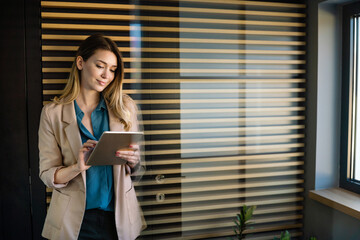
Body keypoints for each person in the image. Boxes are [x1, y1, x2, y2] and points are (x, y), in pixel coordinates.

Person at [38, 33, 146, 240]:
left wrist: (134, 161)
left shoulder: (126, 107)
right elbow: (47, 174)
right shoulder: (52, 113)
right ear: (80, 62)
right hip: (74, 222)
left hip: (119, 219)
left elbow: (136, 171)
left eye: (113, 70)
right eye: (100, 66)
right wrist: (77, 167)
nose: (107, 75)